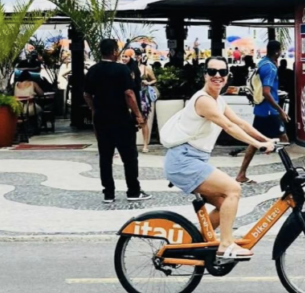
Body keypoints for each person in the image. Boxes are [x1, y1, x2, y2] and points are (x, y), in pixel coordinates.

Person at [161, 56, 276, 259]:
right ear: (205, 75)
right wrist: (258, 145)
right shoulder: (204, 100)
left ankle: (194, 241)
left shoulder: (218, 100)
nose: (217, 76)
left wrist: (268, 139)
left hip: (194, 160)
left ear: (227, 76)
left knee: (225, 204)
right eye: (212, 72)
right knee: (233, 188)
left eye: (222, 72)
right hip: (184, 160)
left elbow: (240, 122)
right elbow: (229, 127)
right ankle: (225, 245)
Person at [84, 38, 151, 205]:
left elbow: (86, 94)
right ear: (114, 51)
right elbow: (129, 94)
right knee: (129, 156)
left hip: (101, 118)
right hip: (121, 117)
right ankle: (133, 191)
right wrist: (138, 115)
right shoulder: (121, 70)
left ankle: (108, 193)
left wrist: (94, 109)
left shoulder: (92, 70)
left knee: (105, 157)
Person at [235, 40, 290, 185]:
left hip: (260, 109)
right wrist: (281, 111)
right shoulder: (271, 68)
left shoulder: (262, 63)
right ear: (277, 51)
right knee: (283, 138)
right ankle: (291, 172)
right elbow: (266, 92)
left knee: (255, 142)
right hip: (269, 111)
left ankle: (242, 174)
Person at [138, 53, 158, 153]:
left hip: (143, 96)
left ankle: (145, 144)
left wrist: (148, 82)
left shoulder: (146, 68)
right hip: (132, 94)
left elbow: (154, 79)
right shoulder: (129, 68)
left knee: (144, 121)